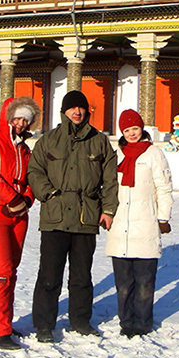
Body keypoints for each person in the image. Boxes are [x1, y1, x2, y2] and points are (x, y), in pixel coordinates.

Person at [28, 90, 119, 343]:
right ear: (64, 111)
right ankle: (44, 324)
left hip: (86, 218)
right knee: (49, 275)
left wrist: (108, 210)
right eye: (72, 108)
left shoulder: (99, 141)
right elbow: (34, 171)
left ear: (87, 112)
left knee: (81, 276)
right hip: (55, 217)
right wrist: (49, 195)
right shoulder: (49, 140)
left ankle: (80, 320)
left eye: (81, 108)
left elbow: (111, 180)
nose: (77, 112)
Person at [0, 96, 40, 350]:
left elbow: (31, 179)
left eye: (26, 119)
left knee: (11, 272)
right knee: (1, 271)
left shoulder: (25, 149)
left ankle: (5, 323)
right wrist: (12, 197)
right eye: (18, 117)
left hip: (19, 214)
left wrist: (26, 199)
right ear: (8, 116)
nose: (22, 123)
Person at [106, 109, 173, 337]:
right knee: (123, 284)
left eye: (135, 129)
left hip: (145, 224)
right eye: (127, 130)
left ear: (141, 128)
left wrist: (163, 217)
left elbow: (163, 188)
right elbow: (108, 187)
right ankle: (126, 322)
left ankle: (142, 323)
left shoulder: (154, 154)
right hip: (121, 226)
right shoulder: (117, 154)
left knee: (144, 282)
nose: (132, 134)